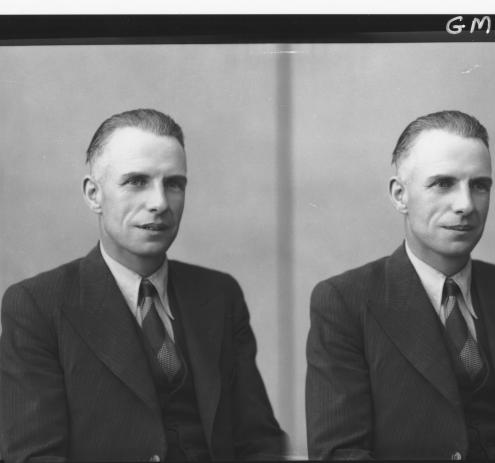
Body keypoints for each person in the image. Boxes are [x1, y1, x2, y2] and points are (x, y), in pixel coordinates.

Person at [0, 109, 286, 462]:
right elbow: (34, 456)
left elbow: (259, 441)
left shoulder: (219, 295)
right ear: (93, 194)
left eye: (173, 184)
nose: (160, 203)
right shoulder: (37, 305)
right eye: (136, 181)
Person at [305, 110, 495, 461]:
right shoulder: (345, 302)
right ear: (399, 195)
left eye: (479, 185)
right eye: (443, 184)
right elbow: (339, 453)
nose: (466, 205)